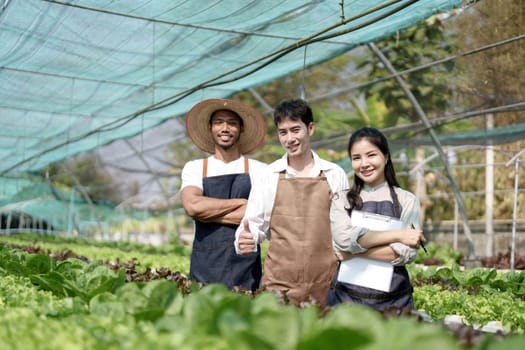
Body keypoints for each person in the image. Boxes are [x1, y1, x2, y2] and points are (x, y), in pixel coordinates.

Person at [235, 98, 349, 305]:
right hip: (279, 283)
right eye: (283, 132)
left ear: (311, 128)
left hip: (326, 282)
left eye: (296, 130)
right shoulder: (269, 174)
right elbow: (253, 224)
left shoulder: (334, 174)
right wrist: (245, 239)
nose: (290, 138)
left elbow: (345, 227)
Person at [326, 127, 426, 311]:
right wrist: (399, 234)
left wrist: (351, 254)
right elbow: (344, 240)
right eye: (356, 158)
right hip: (345, 299)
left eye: (371, 155)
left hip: (394, 302)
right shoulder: (341, 200)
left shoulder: (406, 200)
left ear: (386, 157)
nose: (364, 164)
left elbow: (404, 253)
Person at [180, 98, 267, 291]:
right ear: (210, 127)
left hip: (245, 267)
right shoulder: (195, 168)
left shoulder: (260, 170)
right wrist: (242, 204)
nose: (225, 128)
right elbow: (192, 206)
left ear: (241, 129)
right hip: (204, 265)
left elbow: (262, 216)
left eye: (232, 123)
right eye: (219, 122)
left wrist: (207, 213)